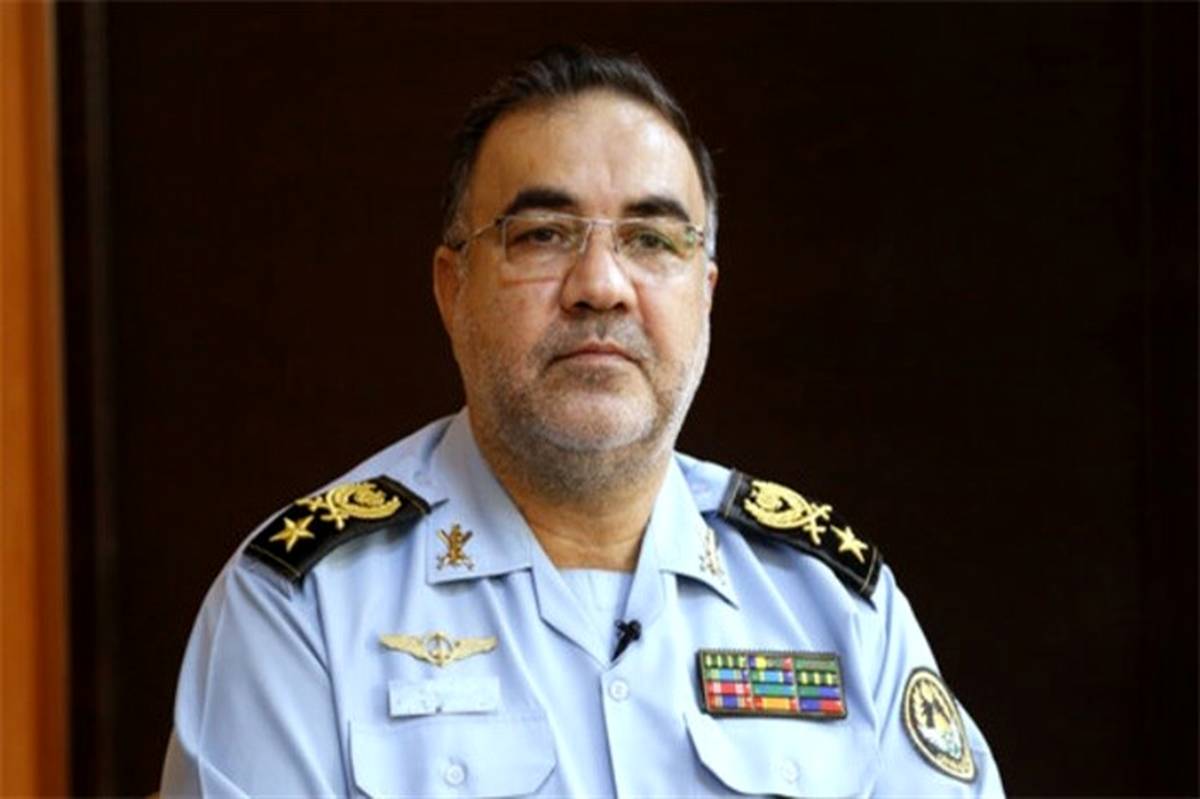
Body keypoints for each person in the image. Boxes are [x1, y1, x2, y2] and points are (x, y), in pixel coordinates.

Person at [160, 45, 1003, 797]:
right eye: (542, 235)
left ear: (705, 295)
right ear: (453, 290)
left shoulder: (832, 604)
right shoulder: (304, 607)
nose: (601, 285)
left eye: (653, 239)